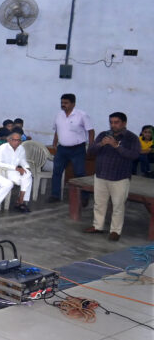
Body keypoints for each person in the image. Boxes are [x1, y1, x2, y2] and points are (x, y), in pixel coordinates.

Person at [84, 112, 140, 242]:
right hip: (101, 175)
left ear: (124, 123)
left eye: (116, 122)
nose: (113, 125)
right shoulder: (103, 135)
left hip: (120, 177)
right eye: (111, 122)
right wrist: (101, 144)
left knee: (118, 206)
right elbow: (90, 151)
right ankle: (97, 226)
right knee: (99, 203)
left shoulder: (131, 138)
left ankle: (115, 231)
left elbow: (134, 155)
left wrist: (117, 146)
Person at [49, 93, 94, 202]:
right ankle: (55, 195)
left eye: (66, 103)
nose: (63, 105)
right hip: (62, 149)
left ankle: (84, 197)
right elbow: (57, 130)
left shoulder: (82, 115)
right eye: (62, 102)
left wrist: (91, 146)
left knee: (79, 173)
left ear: (73, 104)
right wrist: (54, 143)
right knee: (57, 171)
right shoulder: (59, 115)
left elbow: (91, 131)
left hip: (77, 149)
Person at [0, 131, 33, 212]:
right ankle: (20, 202)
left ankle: (20, 201)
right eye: (14, 140)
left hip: (14, 172)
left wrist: (27, 167)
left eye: (18, 140)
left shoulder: (21, 148)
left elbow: (22, 160)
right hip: (3, 171)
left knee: (27, 174)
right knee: (27, 179)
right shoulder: (2, 148)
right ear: (9, 140)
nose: (17, 142)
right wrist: (15, 168)